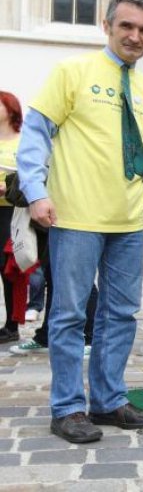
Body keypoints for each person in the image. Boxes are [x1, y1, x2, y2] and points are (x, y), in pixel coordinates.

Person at [17, 0, 143, 444]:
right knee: (69, 316)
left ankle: (108, 399)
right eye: (128, 26)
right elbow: (36, 135)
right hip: (75, 218)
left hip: (128, 224)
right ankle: (67, 408)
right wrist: (36, 192)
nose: (135, 36)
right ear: (108, 25)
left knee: (121, 314)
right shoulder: (71, 72)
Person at [0, 91, 22, 343]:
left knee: (8, 268)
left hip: (9, 210)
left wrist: (9, 187)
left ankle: (11, 324)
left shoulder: (21, 142)